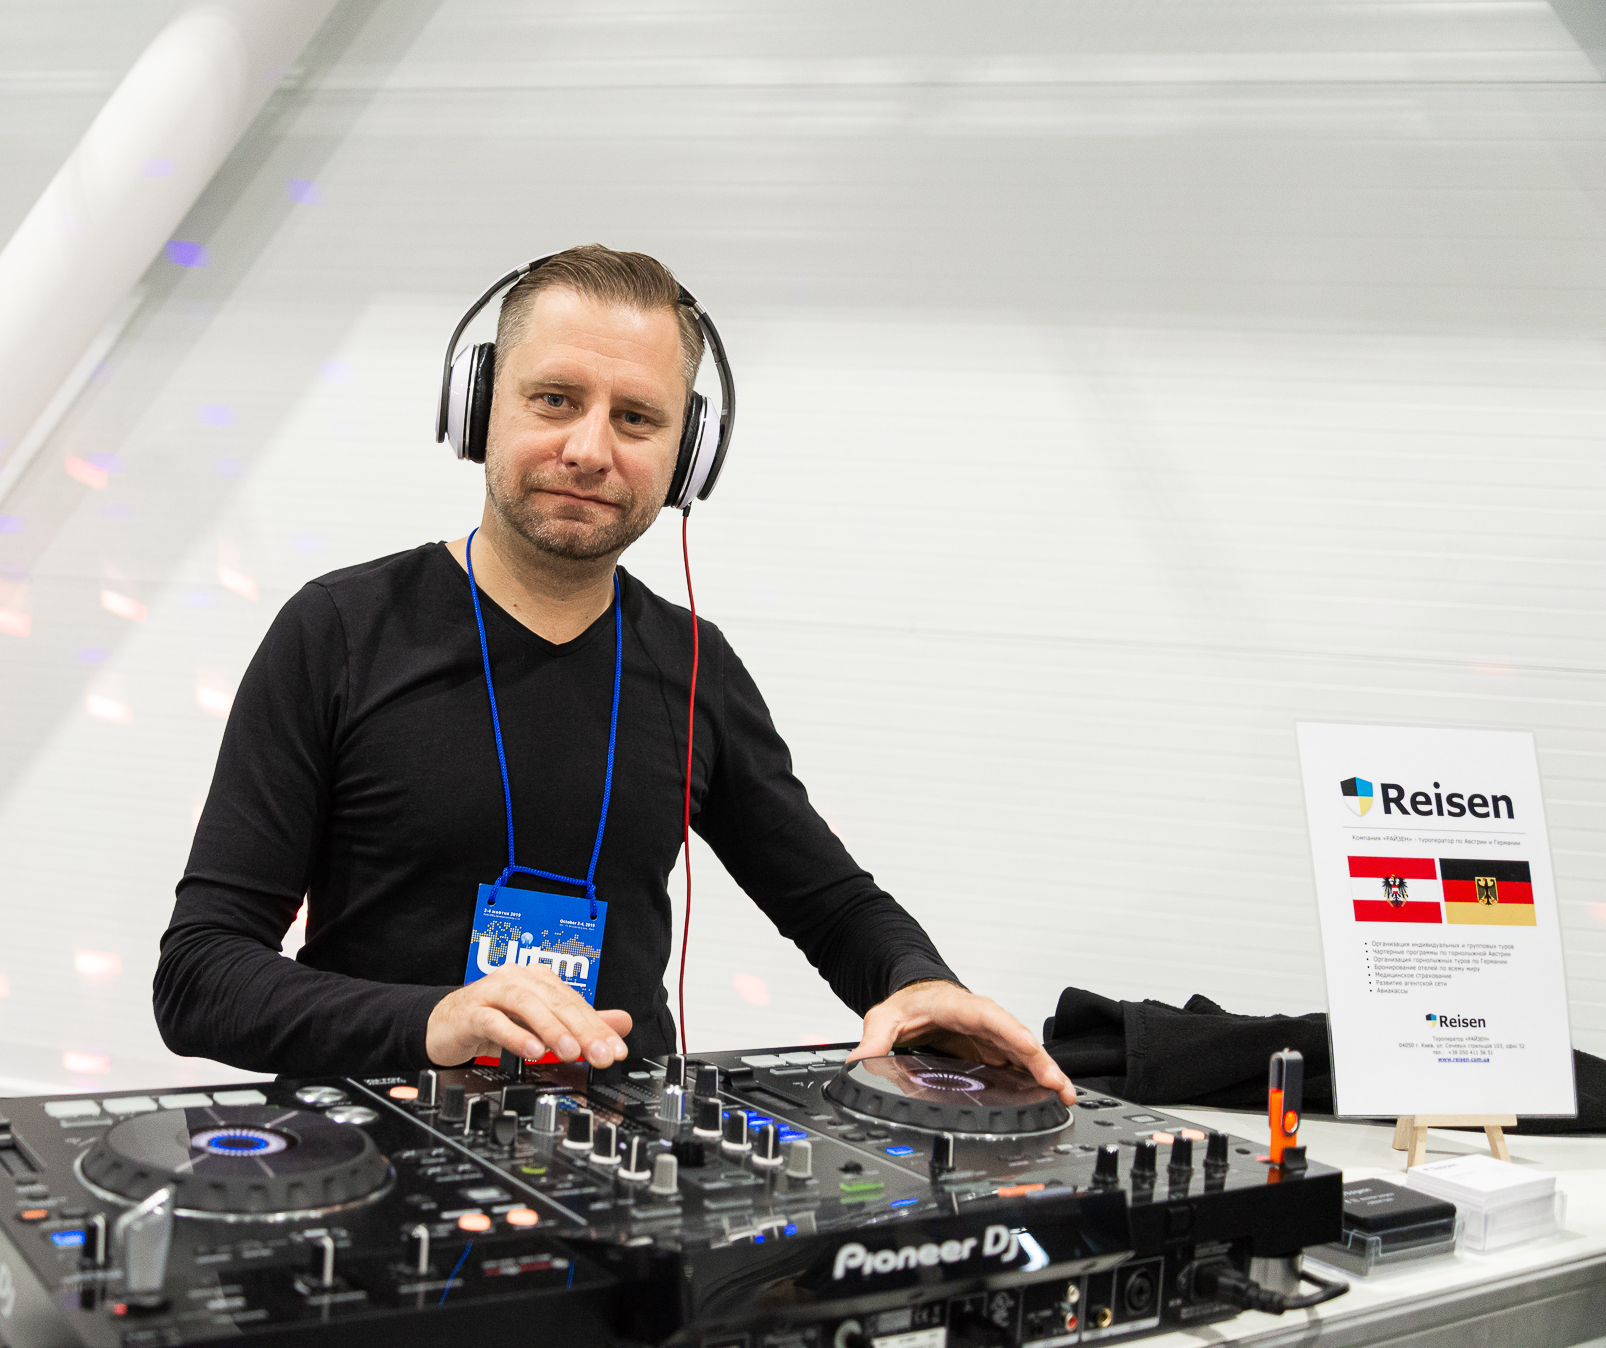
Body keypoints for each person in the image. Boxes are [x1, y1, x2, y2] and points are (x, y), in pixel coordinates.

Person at [155, 245, 1073, 1103]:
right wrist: (434, 1021)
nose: (590, 450)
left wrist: (917, 981)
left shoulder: (696, 664)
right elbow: (200, 975)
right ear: (480, 409)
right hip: (370, 1153)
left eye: (636, 417)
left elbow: (832, 904)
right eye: (555, 399)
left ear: (687, 455)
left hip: (623, 1152)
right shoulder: (340, 631)